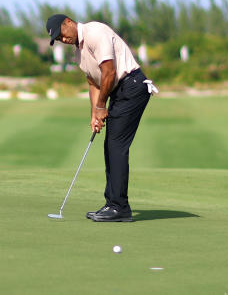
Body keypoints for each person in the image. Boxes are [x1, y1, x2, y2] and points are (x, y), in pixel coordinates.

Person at [46, 14, 158, 222]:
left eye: (61, 34)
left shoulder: (95, 32)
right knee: (111, 145)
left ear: (68, 22)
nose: (63, 39)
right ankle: (113, 204)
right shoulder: (79, 53)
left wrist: (101, 106)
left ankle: (119, 207)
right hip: (119, 91)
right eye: (58, 39)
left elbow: (109, 72)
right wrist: (94, 114)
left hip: (132, 86)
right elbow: (94, 82)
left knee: (116, 145)